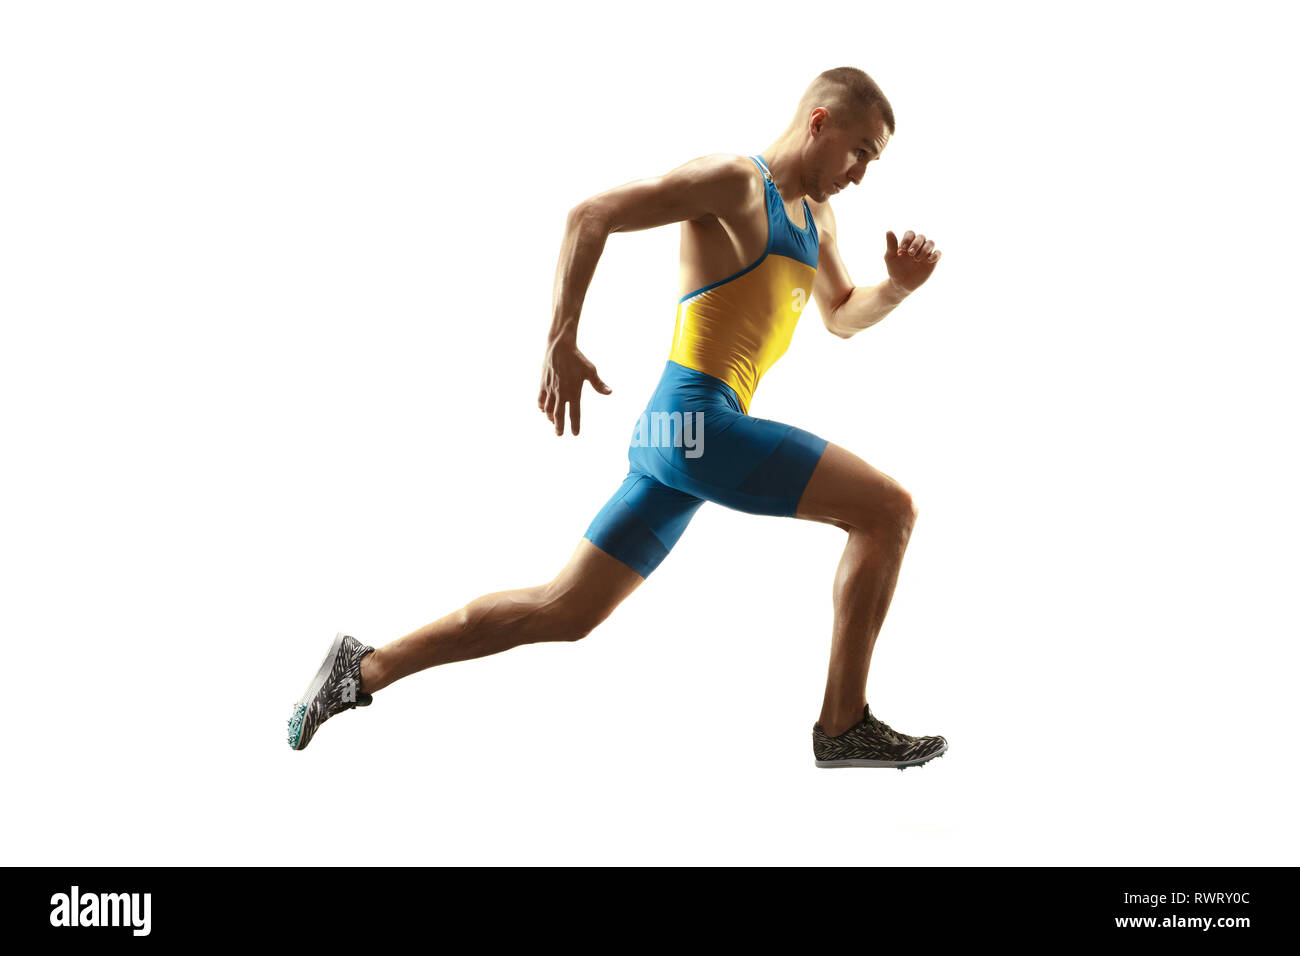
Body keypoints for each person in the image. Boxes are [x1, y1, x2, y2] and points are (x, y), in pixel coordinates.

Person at [287, 66, 947, 769]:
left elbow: (842, 316)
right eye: (860, 152)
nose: (861, 176)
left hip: (675, 433)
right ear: (819, 122)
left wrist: (896, 291)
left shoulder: (819, 221)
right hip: (696, 423)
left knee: (564, 610)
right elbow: (591, 214)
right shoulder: (735, 182)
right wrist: (560, 338)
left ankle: (363, 669)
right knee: (888, 510)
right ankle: (843, 722)